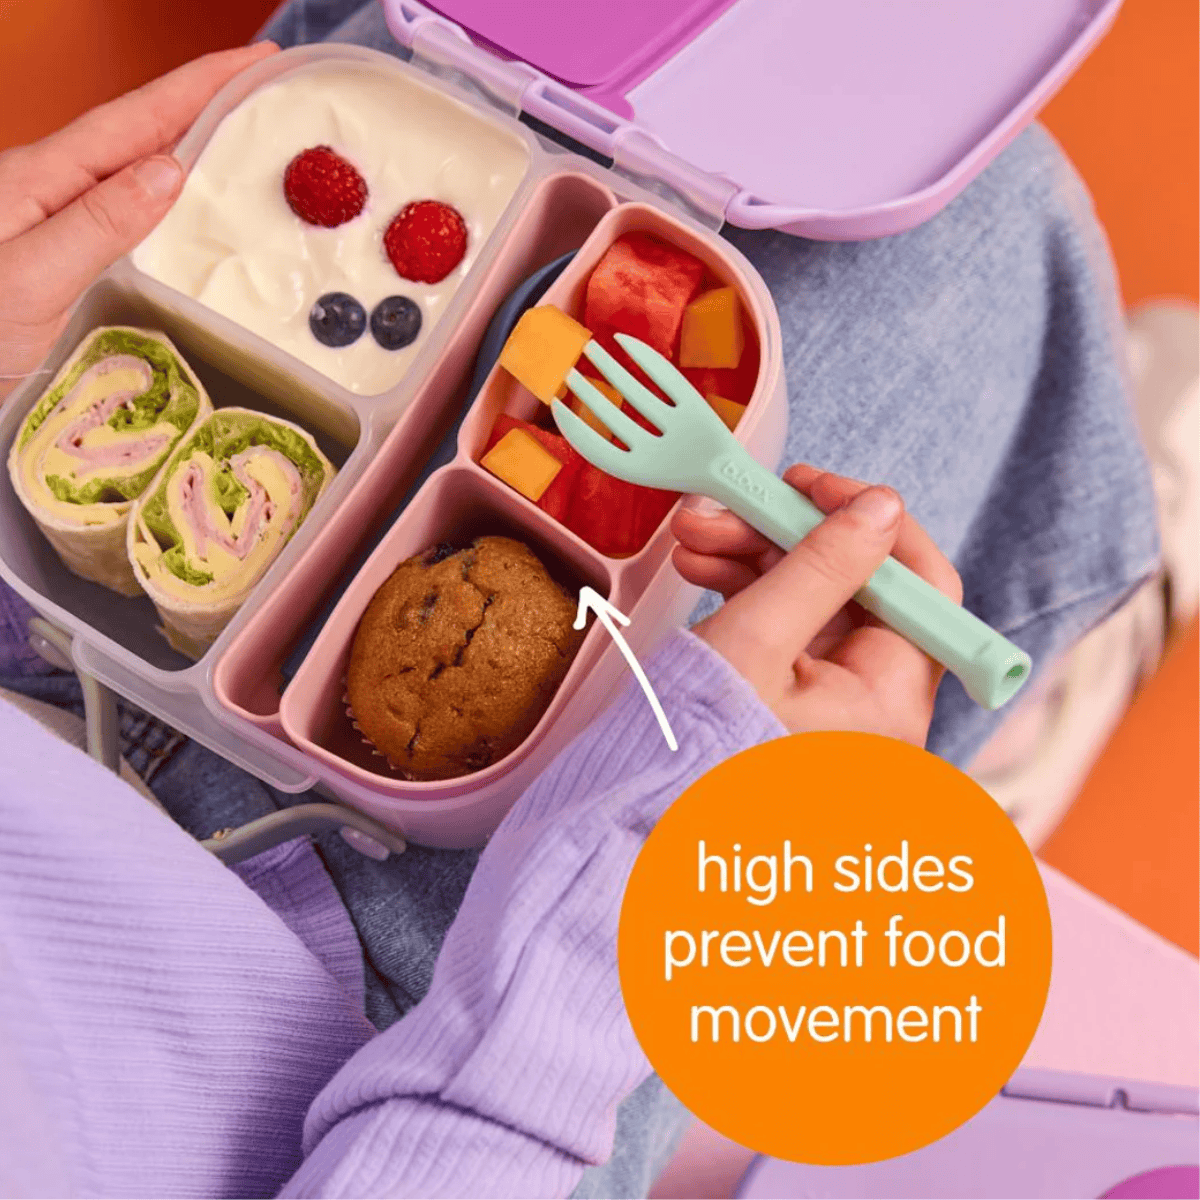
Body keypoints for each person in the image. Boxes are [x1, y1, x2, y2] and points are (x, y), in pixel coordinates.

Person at [0, 7, 1158, 1194]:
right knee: (991, 227)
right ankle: (1022, 661)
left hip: (37, 666)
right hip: (397, 1025)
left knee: (431, 50)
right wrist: (670, 848)